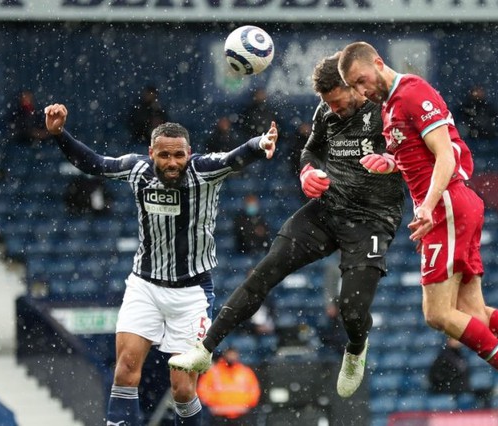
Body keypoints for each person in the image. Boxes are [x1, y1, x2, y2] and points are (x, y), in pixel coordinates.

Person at [337, 41, 498, 425]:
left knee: (437, 313)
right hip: (452, 205)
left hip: (446, 205)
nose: (361, 91)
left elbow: (445, 155)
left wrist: (427, 204)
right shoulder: (389, 106)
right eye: (354, 87)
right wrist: (391, 163)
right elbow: (420, 155)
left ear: (378, 63)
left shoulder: (412, 92)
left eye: (361, 80)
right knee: (473, 314)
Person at [169, 53, 406, 400]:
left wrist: (391, 162)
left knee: (352, 310)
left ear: (354, 86)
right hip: (327, 210)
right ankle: (205, 349)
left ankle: (356, 348)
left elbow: (422, 153)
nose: (334, 110)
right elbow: (310, 151)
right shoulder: (326, 111)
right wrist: (307, 172)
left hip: (372, 219)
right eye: (328, 104)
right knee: (264, 272)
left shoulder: (387, 109)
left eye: (338, 103)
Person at [43, 103, 277, 426]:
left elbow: (233, 158)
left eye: (179, 155)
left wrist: (258, 144)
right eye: (164, 155)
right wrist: (59, 135)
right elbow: (94, 163)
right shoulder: (137, 170)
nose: (172, 163)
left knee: (182, 389)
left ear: (189, 153)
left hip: (191, 292)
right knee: (125, 370)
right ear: (151, 152)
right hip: (145, 285)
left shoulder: (204, 172)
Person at [196, 347, 261, 425]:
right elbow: (203, 390)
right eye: (230, 354)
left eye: (234, 354)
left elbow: (254, 390)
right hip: (218, 415)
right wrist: (216, 402)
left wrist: (246, 403)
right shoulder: (213, 372)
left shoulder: (245, 372)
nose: (232, 357)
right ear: (224, 355)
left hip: (241, 415)